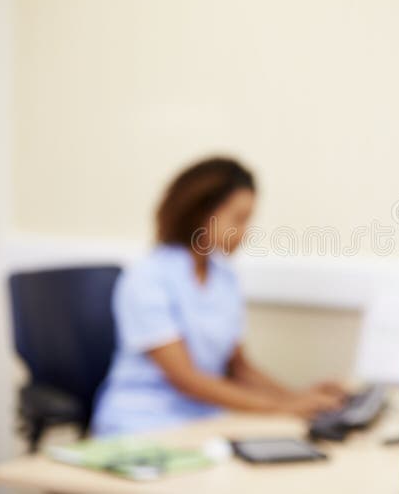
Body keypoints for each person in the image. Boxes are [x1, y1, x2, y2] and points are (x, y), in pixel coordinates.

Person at [92, 157, 344, 436]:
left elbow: (239, 369)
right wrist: (281, 408)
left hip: (204, 419)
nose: (245, 233)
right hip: (141, 424)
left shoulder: (224, 276)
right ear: (202, 213)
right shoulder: (148, 277)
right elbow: (185, 379)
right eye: (238, 219)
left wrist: (299, 398)